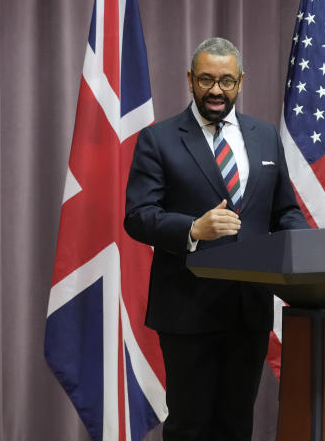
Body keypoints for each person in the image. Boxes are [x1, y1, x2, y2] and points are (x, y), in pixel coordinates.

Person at [124, 37, 310, 441]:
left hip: (250, 308)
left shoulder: (264, 136)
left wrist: (310, 249)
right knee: (190, 426)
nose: (215, 90)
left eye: (226, 81)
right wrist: (192, 228)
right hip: (188, 309)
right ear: (190, 80)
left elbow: (285, 211)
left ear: (240, 82)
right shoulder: (159, 139)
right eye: (206, 79)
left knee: (235, 425)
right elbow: (138, 217)